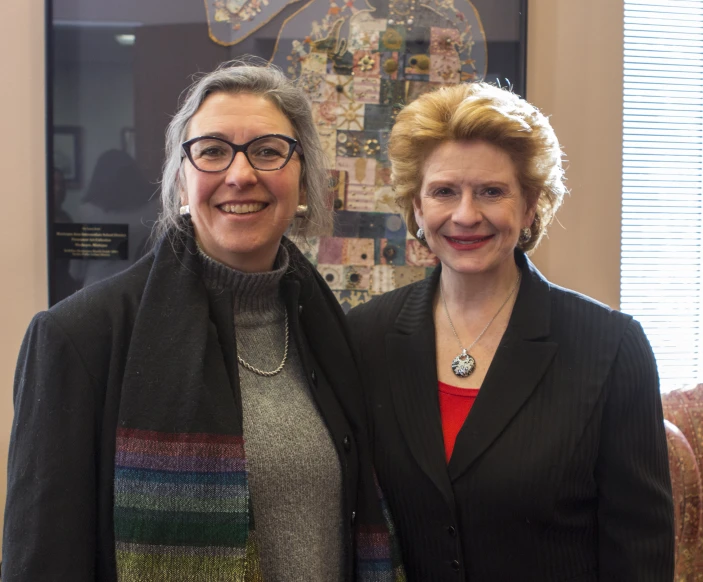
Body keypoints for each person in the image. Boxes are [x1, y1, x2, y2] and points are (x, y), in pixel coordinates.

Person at [3, 62, 404, 582]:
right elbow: (43, 561)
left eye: (267, 150)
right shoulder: (78, 339)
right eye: (212, 151)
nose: (241, 174)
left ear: (302, 177)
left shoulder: (328, 333)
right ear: (180, 179)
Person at [347, 82, 674, 581]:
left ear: (529, 207)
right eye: (443, 192)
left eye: (491, 192)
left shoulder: (611, 347)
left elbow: (640, 552)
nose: (465, 215)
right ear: (416, 207)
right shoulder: (364, 336)